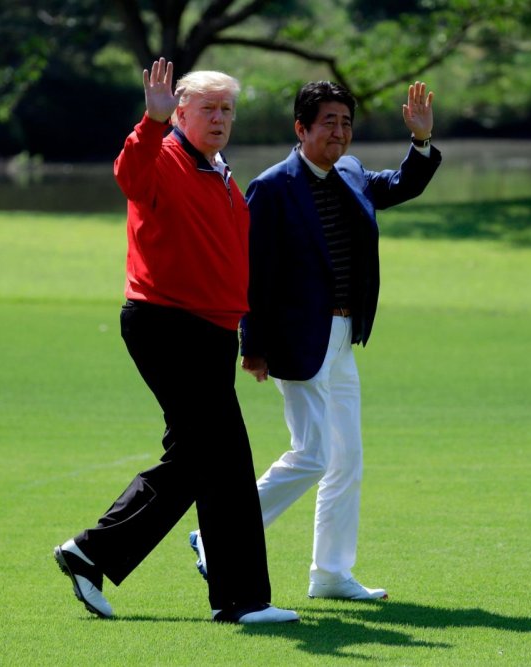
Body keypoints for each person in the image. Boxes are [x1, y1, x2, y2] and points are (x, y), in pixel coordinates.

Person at [53, 58, 298, 624]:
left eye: (227, 109)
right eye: (207, 108)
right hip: (168, 325)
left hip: (212, 331)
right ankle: (241, 600)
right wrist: (151, 121)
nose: (219, 118)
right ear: (181, 112)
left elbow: (232, 261)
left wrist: (250, 335)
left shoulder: (220, 171)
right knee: (227, 460)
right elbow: (129, 173)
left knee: (196, 460)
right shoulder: (162, 155)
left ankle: (92, 552)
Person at [189, 80, 441, 601]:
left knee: (347, 460)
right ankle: (216, 535)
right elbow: (253, 274)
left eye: (346, 123)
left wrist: (420, 141)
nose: (340, 133)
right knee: (313, 454)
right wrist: (252, 344)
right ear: (301, 128)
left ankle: (330, 573)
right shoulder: (272, 186)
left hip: (344, 337)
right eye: (329, 122)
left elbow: (401, 185)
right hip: (296, 340)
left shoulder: (351, 173)